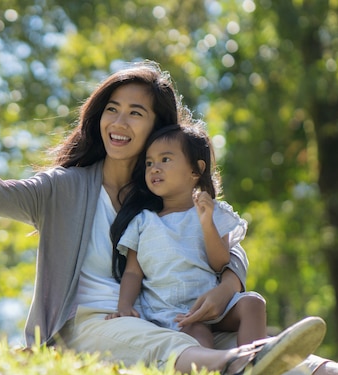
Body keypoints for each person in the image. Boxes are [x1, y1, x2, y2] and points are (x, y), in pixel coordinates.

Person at [0, 60, 332, 375]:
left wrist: (227, 286)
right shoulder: (65, 187)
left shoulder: (161, 189)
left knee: (297, 360)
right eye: (112, 109)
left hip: (165, 316)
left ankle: (252, 363)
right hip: (90, 325)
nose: (119, 121)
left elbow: (226, 239)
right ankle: (236, 367)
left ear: (157, 129)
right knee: (173, 346)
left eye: (135, 113)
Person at [105, 123, 267, 349]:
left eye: (165, 160)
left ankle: (254, 363)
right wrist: (124, 305)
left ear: (196, 170)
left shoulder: (212, 212)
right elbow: (133, 271)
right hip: (177, 313)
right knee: (198, 336)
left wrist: (206, 223)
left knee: (253, 303)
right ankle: (216, 369)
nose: (154, 168)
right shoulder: (143, 221)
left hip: (216, 305)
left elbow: (220, 262)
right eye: (149, 163)